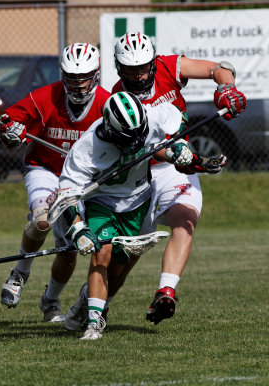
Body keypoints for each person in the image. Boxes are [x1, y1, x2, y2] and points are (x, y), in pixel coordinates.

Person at [64, 32, 246, 330]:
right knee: (124, 260)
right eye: (131, 70)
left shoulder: (169, 67)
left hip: (176, 164)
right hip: (142, 173)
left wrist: (226, 88)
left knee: (185, 218)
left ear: (154, 60)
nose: (139, 75)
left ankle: (166, 290)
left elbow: (219, 68)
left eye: (144, 67)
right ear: (119, 68)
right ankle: (94, 302)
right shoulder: (117, 97)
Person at [58, 91, 199, 340]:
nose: (135, 141)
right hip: (102, 202)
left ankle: (86, 300)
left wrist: (179, 147)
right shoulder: (86, 148)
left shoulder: (150, 115)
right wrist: (78, 229)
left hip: (139, 201)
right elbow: (68, 195)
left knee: (119, 270)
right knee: (102, 254)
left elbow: (179, 117)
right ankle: (94, 322)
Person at [0, 43, 110, 322]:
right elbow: (8, 123)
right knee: (41, 219)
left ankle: (50, 302)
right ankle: (20, 274)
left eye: (84, 77)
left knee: (70, 248)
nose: (78, 84)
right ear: (62, 74)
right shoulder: (45, 96)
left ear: (96, 74)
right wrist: (10, 132)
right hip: (44, 168)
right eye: (72, 77)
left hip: (80, 180)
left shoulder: (107, 103)